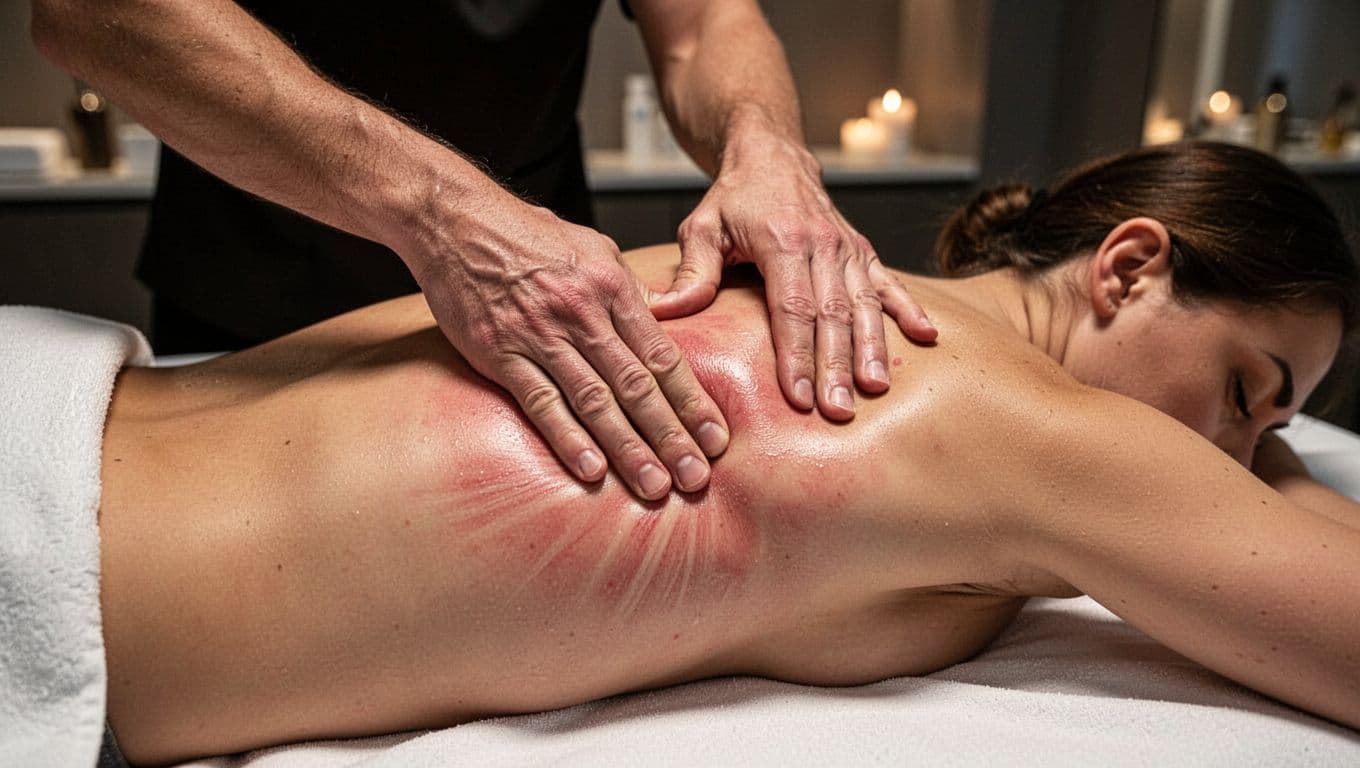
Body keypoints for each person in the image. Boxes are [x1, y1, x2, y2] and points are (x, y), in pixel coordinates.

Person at [95, 142, 1359, 763]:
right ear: (1128, 267)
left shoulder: (819, 279)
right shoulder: (1030, 434)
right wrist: (1294, 476)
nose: (1231, 453)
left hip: (73, 404)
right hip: (56, 557)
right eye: (1246, 393)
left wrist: (1273, 447)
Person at [30, 0, 937, 503]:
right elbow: (95, 8)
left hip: (554, 299)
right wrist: (441, 214)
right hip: (257, 281)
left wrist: (763, 141)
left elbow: (705, 26)